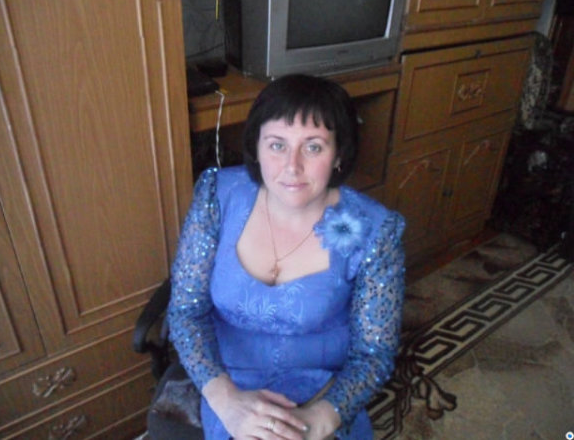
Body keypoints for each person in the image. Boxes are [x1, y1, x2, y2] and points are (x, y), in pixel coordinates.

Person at [168, 74, 405, 439]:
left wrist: (319, 419)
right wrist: (226, 400)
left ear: (339, 154)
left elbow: (374, 353)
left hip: (326, 390)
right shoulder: (218, 196)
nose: (292, 166)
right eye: (277, 145)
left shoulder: (375, 231)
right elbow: (186, 311)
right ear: (256, 147)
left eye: (313, 147)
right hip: (230, 384)